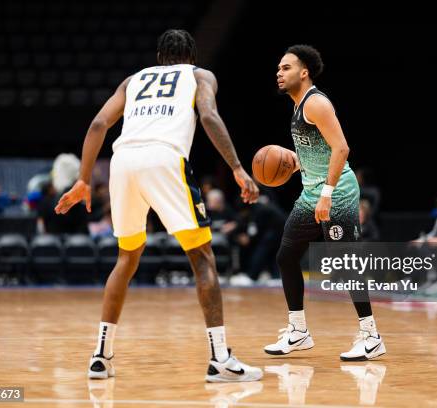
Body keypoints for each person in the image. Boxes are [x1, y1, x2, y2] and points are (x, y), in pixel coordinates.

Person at [54, 29, 262, 383]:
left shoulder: (133, 80)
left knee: (126, 258)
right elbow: (209, 117)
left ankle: (101, 356)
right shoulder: (199, 75)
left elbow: (99, 124)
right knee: (201, 258)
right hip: (164, 159)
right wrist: (238, 169)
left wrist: (84, 179)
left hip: (123, 161)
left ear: (159, 56)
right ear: (192, 56)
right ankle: (220, 359)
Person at [264, 45, 385, 361]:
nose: (279, 72)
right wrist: (297, 164)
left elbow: (341, 149)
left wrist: (328, 194)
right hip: (311, 193)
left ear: (304, 72)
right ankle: (298, 331)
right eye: (278, 68)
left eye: (286, 67)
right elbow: (317, 152)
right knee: (286, 256)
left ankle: (372, 336)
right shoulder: (297, 106)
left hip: (338, 194)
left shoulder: (315, 103)